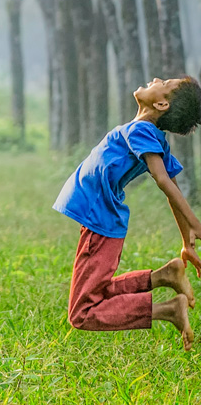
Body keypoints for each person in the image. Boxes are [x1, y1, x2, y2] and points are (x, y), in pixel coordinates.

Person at [53, 76, 201, 351]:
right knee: (96, 293)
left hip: (100, 220)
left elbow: (164, 180)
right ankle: (164, 276)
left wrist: (194, 224)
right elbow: (172, 184)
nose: (156, 78)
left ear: (161, 103)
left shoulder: (143, 130)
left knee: (82, 312)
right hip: (100, 219)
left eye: (165, 82)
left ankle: (168, 310)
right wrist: (186, 240)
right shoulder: (147, 133)